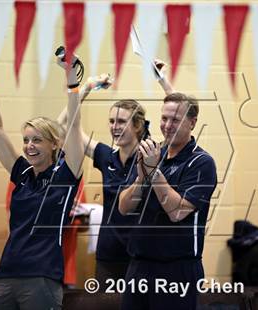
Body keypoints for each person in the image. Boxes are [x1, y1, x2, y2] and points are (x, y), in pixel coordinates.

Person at [56, 60, 174, 288]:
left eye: (121, 121)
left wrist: (162, 80)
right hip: (108, 254)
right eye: (111, 121)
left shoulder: (151, 154)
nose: (114, 127)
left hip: (142, 255)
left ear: (138, 126)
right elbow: (63, 126)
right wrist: (87, 87)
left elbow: (180, 120)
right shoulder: (105, 156)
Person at [0, 53, 85, 309]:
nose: (29, 146)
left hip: (42, 280)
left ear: (54, 144)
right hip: (6, 276)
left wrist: (72, 82)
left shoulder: (66, 176)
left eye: (37, 140)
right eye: (26, 140)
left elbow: (73, 126)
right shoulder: (22, 174)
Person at [119, 92, 217, 310]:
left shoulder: (202, 163)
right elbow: (124, 207)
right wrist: (141, 179)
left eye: (175, 119)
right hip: (139, 265)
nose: (167, 125)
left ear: (192, 123)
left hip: (177, 269)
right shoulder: (151, 153)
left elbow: (177, 212)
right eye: (164, 118)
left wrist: (153, 172)